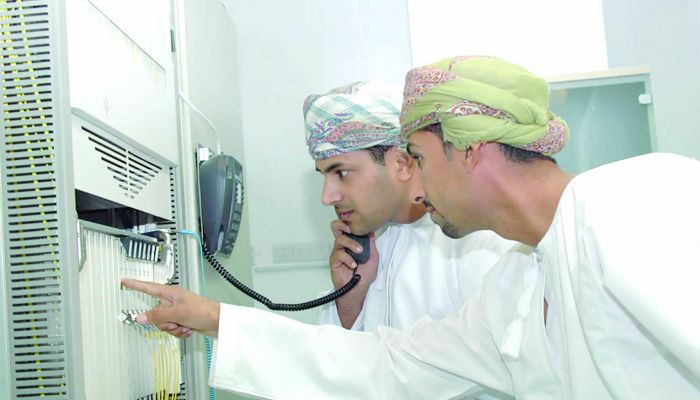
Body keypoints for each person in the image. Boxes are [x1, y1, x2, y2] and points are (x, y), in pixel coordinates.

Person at [122, 56, 700, 399]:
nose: (415, 186)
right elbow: (389, 364)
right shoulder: (518, 286)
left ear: (470, 150)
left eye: (418, 158)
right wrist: (218, 320)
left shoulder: (638, 201)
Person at [303, 81, 514, 339]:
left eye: (342, 173)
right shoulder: (369, 249)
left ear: (402, 164)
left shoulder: (476, 242)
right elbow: (344, 358)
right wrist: (349, 300)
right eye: (324, 175)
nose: (327, 197)